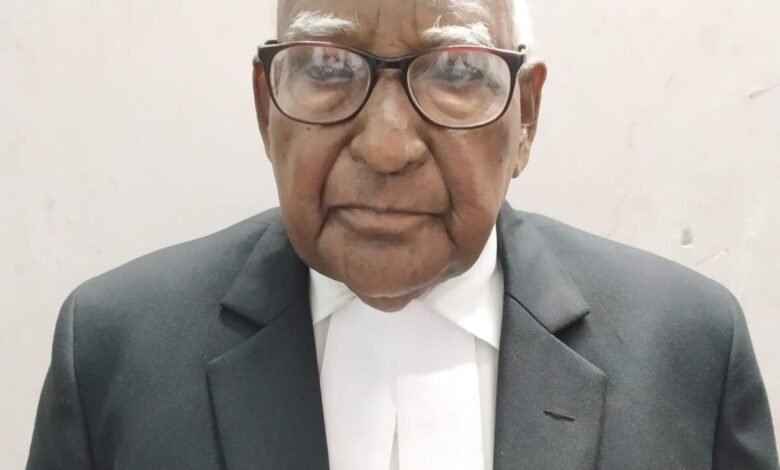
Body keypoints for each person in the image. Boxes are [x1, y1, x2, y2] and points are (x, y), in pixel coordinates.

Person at [27, 0, 778, 468]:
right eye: (328, 65)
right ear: (265, 108)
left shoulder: (685, 350)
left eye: (457, 71)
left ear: (525, 118)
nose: (387, 147)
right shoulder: (115, 351)